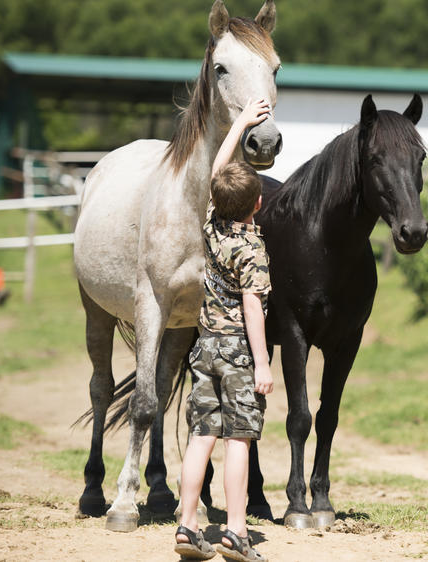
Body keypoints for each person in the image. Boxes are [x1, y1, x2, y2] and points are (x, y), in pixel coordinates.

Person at [174, 98, 275, 562]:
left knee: (201, 436)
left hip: (204, 350)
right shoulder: (251, 249)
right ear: (258, 203)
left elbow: (218, 169)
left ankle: (187, 524)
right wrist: (263, 362)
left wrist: (239, 126)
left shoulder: (211, 225)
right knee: (239, 440)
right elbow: (253, 309)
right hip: (237, 353)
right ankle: (235, 532)